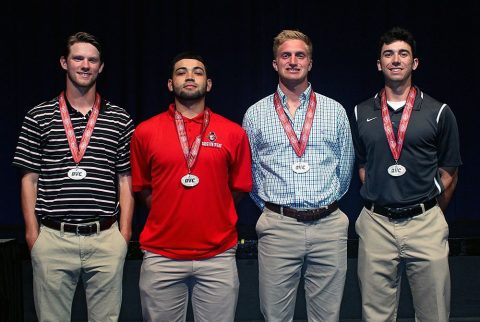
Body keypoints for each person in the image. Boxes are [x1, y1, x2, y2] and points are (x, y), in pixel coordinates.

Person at [12, 32, 134, 321]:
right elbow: (29, 179)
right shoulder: (38, 116)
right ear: (64, 63)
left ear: (101, 67)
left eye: (92, 60)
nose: (85, 65)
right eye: (78, 58)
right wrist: (33, 235)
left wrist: (124, 235)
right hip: (53, 237)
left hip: (105, 237)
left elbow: (125, 180)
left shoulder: (120, 118)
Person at [130, 52, 252, 322]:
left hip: (217, 256)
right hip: (162, 256)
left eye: (197, 72)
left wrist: (213, 210)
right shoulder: (145, 132)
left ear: (208, 84)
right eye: (181, 71)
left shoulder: (233, 132)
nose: (189, 76)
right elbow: (142, 188)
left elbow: (240, 188)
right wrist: (169, 211)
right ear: (170, 84)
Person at [242, 30, 354, 322]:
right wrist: (278, 211)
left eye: (300, 55)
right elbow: (250, 174)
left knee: (327, 317)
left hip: (328, 226)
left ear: (310, 63)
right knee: (275, 316)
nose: (293, 61)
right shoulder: (255, 114)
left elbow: (345, 169)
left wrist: (323, 205)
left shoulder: (335, 110)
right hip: (279, 227)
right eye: (286, 55)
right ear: (275, 64)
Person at [351, 26, 461, 322]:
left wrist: (428, 212)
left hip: (425, 223)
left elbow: (449, 170)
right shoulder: (361, 112)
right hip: (377, 224)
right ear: (379, 64)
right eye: (388, 54)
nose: (395, 59)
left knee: (434, 314)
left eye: (403, 54)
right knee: (376, 316)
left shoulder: (439, 112)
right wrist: (384, 196)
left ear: (414, 63)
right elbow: (362, 165)